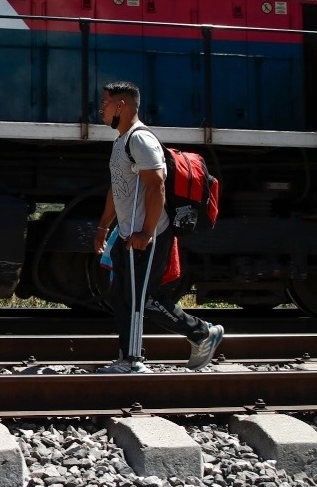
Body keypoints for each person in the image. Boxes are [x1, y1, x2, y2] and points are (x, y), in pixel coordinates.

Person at [92, 81, 223, 373]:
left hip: (148, 235)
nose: (101, 109)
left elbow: (156, 186)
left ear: (121, 106)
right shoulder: (120, 142)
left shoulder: (141, 140)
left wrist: (147, 232)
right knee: (121, 297)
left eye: (105, 103)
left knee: (142, 299)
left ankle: (146, 356)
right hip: (127, 234)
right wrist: (103, 228)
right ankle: (128, 357)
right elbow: (118, 188)